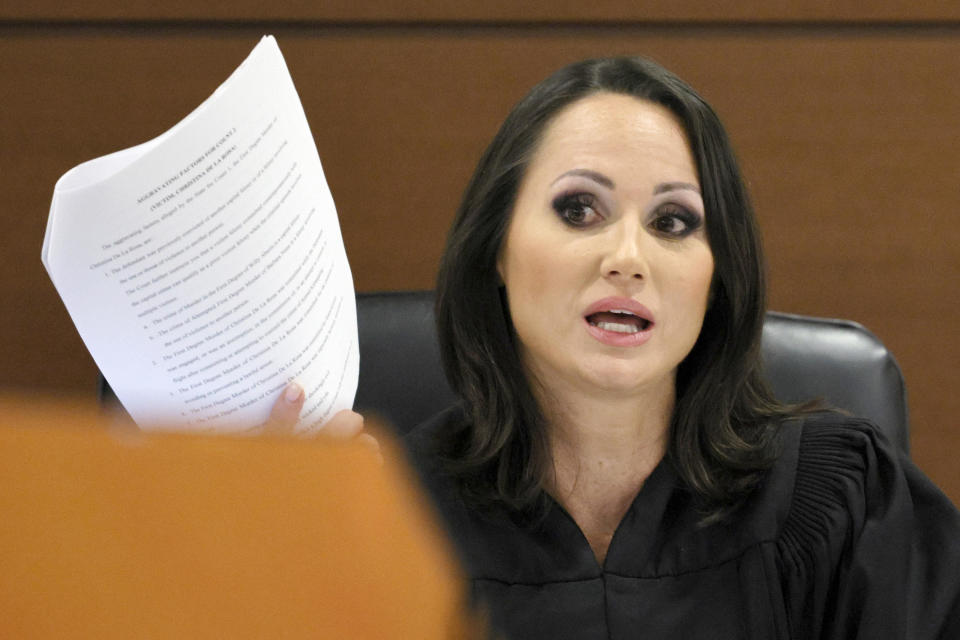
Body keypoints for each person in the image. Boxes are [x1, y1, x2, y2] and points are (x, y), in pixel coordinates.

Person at [278, 57, 960, 638]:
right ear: (497, 251)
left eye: (673, 221)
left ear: (717, 277)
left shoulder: (839, 502)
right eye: (579, 209)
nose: (629, 257)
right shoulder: (384, 521)